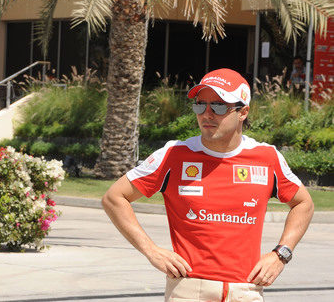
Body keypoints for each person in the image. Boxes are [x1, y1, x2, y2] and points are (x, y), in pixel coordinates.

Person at [102, 68, 314, 301]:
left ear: (243, 112)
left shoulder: (267, 158)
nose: (207, 114)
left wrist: (280, 254)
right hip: (189, 290)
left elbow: (303, 203)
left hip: (246, 291)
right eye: (200, 105)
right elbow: (114, 198)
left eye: (219, 107)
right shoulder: (173, 154)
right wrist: (152, 251)